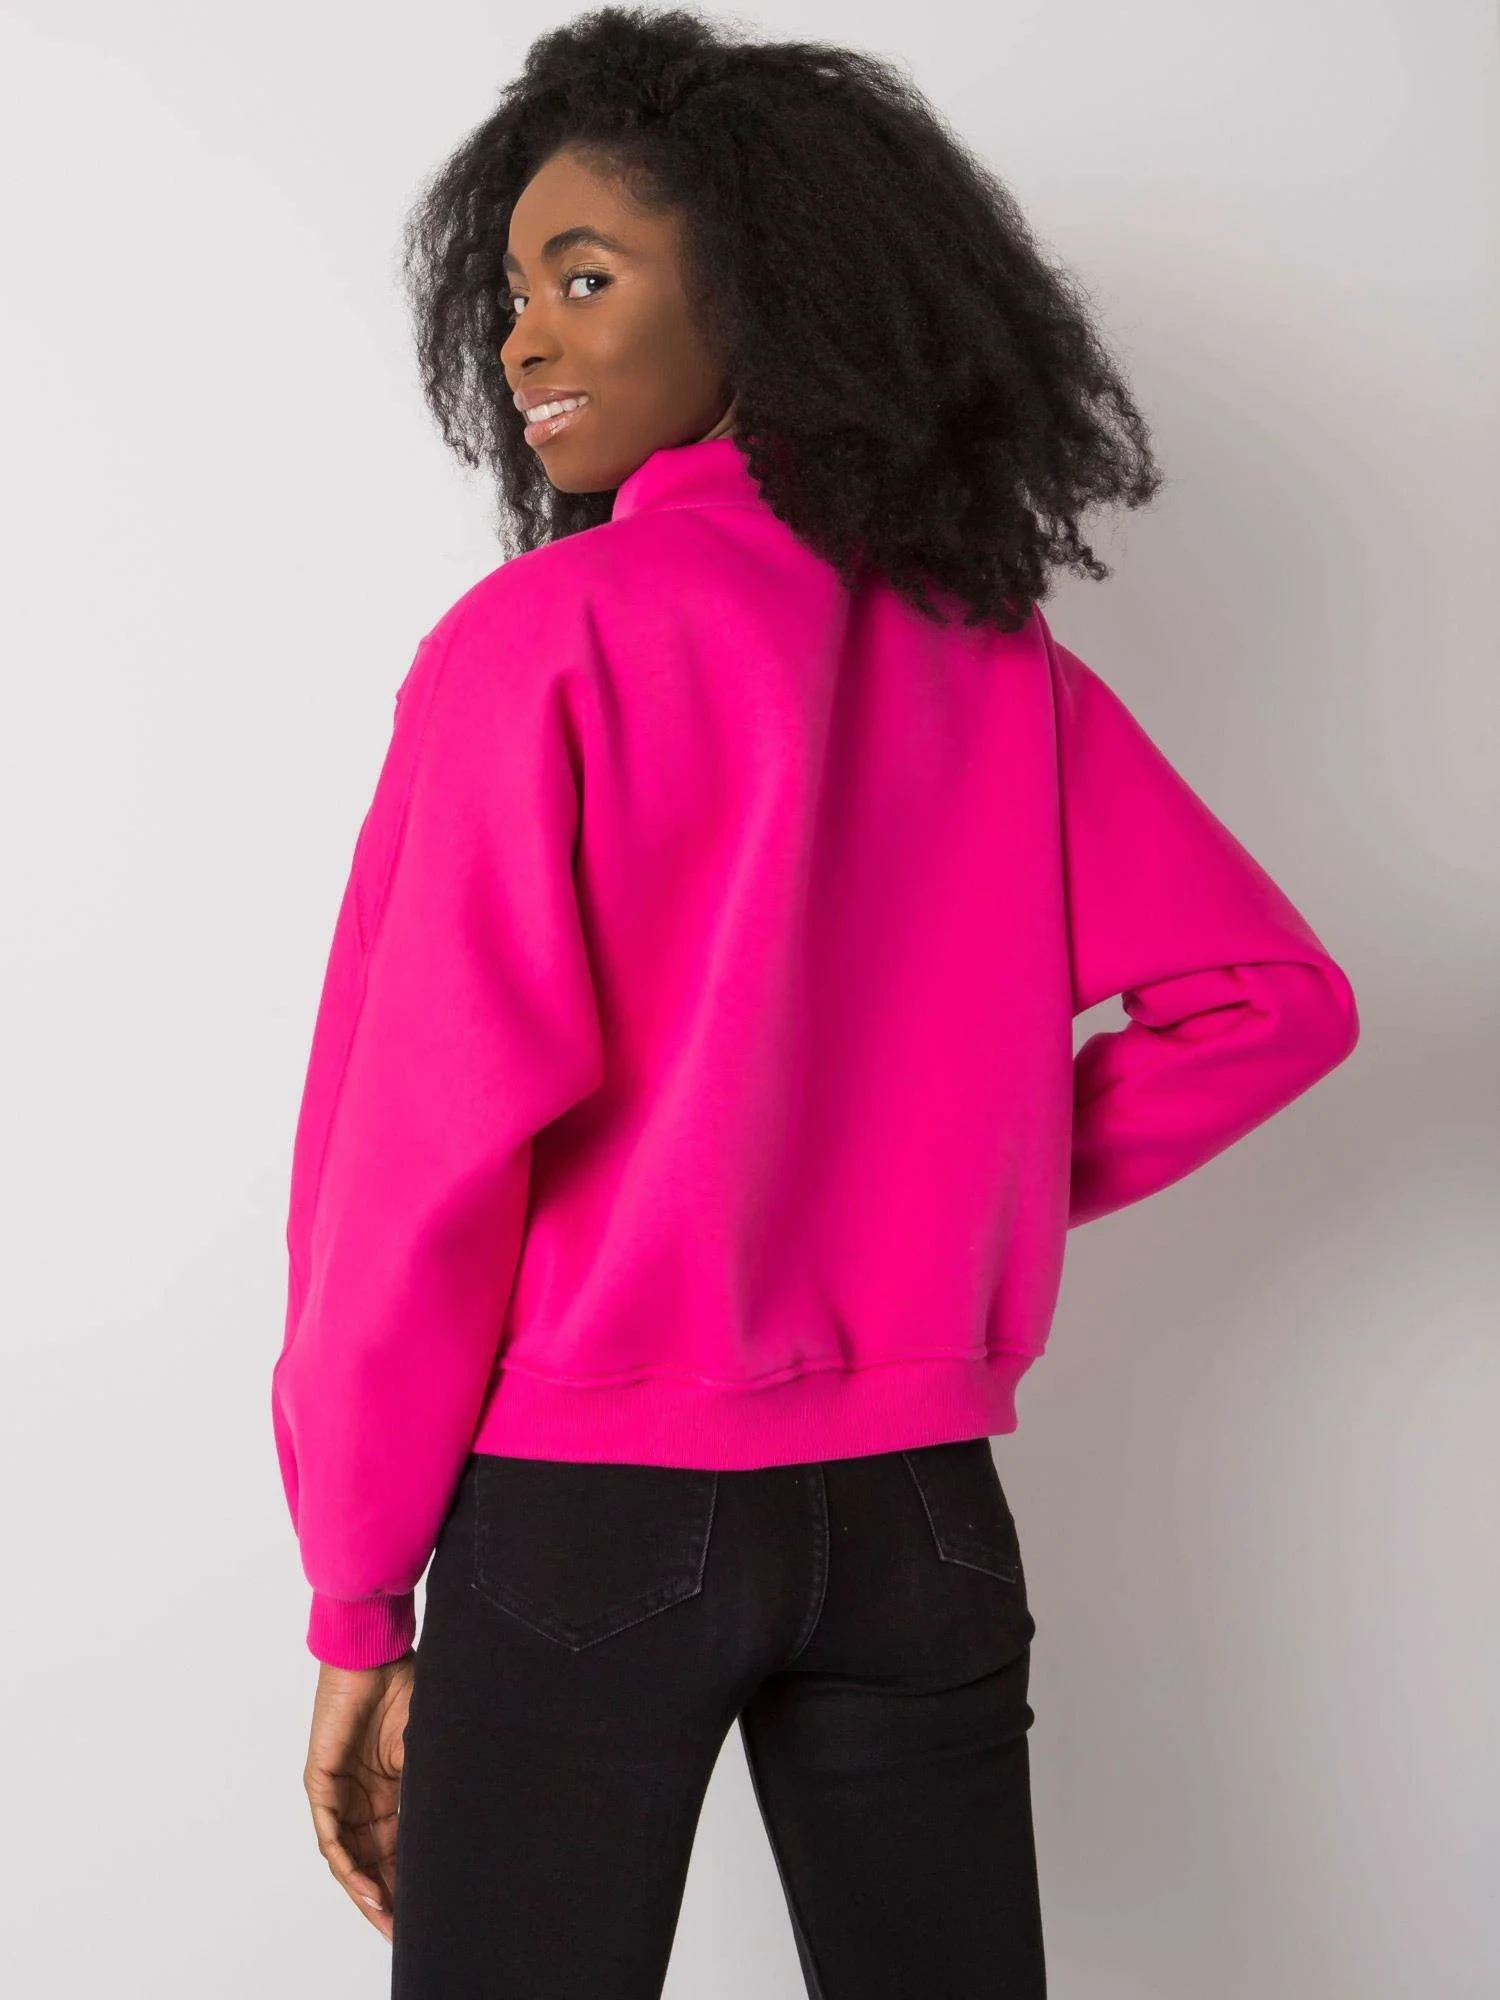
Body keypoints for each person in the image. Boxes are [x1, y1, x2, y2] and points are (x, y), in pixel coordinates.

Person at [269, 8, 1361, 1995]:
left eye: (583, 278)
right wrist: (958, 1187)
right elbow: (1270, 1004)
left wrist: (358, 1599)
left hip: (590, 1517)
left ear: (758, 302)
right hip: (921, 1515)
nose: (518, 340)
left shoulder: (541, 647)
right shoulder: (990, 658)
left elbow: (409, 1165)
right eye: (511, 292)